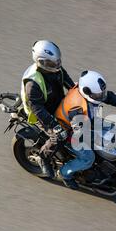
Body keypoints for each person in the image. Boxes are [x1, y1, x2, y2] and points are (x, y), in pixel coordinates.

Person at [54, 70, 116, 189]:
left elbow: (109, 97)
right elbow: (81, 135)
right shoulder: (77, 108)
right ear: (87, 92)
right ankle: (65, 174)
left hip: (87, 122)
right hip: (70, 132)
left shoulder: (92, 93)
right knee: (88, 158)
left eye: (101, 93)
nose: (102, 96)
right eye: (98, 95)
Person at [20, 40, 75, 178]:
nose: (57, 65)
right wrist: (55, 125)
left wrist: (78, 91)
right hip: (41, 113)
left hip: (55, 103)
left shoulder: (55, 68)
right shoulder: (33, 84)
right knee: (59, 136)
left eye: (58, 61)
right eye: (52, 63)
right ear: (41, 62)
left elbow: (67, 80)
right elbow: (38, 110)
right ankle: (43, 158)